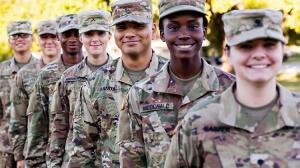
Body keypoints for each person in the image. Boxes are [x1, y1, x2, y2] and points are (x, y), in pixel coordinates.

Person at [164, 9, 300, 168]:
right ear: (228, 53)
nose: (258, 54)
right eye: (246, 46)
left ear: (282, 50)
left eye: (269, 45)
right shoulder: (199, 121)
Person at [117, 0, 235, 167]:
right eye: (173, 27)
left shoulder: (233, 90)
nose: (184, 34)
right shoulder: (139, 95)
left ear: (204, 31)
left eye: (193, 26)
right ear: (162, 33)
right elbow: (131, 161)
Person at [68, 0, 168, 167]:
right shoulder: (94, 84)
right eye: (121, 27)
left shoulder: (173, 77)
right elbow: (81, 150)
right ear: (113, 32)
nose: (129, 33)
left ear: (153, 29)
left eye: (137, 25)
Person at [48, 10, 113, 168]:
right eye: (89, 33)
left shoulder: (119, 74)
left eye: (101, 33)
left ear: (109, 36)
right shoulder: (68, 77)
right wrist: (54, 164)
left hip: (112, 161)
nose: (95, 39)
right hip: (76, 160)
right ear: (81, 37)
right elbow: (58, 127)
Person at [25, 14, 83, 167]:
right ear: (59, 36)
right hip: (59, 160)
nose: (72, 39)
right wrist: (35, 163)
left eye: (77, 33)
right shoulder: (46, 75)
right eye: (66, 34)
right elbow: (37, 124)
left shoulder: (99, 73)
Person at [10, 20, 61, 168]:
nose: (49, 42)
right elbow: (18, 119)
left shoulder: (71, 73)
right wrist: (19, 156)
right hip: (35, 154)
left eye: (54, 37)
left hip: (66, 153)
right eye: (44, 37)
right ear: (37, 40)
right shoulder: (24, 75)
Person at [0, 20, 36, 168]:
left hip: (35, 146)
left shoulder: (42, 70)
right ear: (9, 41)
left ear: (32, 39)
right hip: (5, 147)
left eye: (24, 35)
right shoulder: (1, 71)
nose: (19, 39)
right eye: (14, 36)